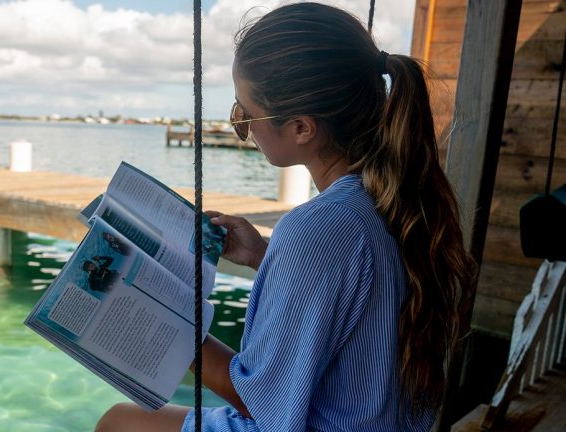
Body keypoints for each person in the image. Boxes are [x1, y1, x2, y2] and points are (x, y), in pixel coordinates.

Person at [95, 3, 475, 431]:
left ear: (301, 128)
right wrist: (265, 256)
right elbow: (360, 299)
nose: (243, 127)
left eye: (244, 114)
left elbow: (261, 401)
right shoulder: (400, 200)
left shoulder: (319, 228)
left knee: (117, 422)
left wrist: (165, 324)